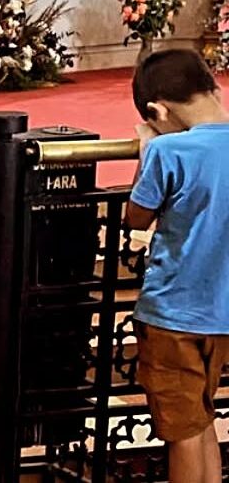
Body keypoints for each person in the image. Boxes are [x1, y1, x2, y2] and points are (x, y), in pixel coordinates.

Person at [126, 49, 229, 483]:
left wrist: (146, 150)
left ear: (158, 111)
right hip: (220, 314)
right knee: (201, 419)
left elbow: (136, 218)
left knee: (181, 431)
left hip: (173, 314)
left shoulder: (169, 150)